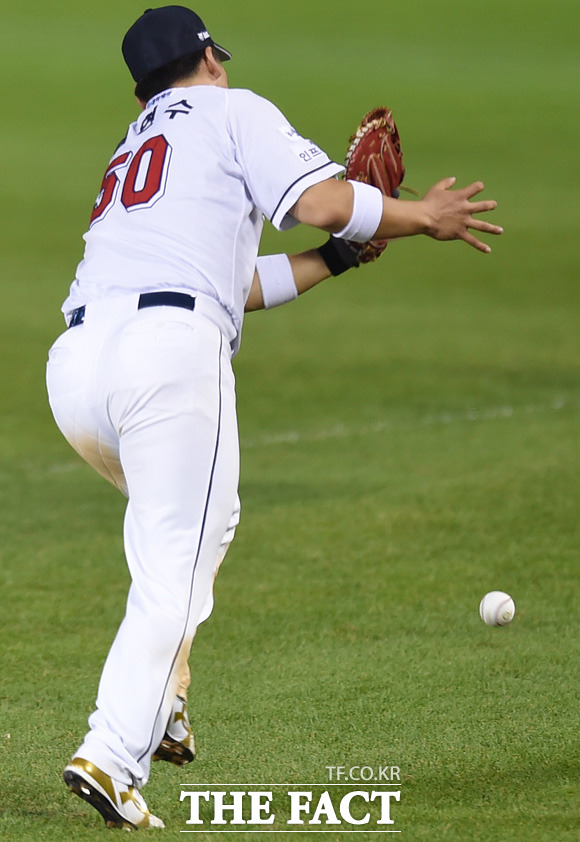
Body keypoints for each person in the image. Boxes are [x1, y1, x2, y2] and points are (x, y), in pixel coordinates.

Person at [46, 5, 502, 830]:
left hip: (78, 369)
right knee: (175, 566)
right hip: (166, 357)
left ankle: (164, 700)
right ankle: (112, 754)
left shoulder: (137, 145)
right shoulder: (233, 107)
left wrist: (335, 260)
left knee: (200, 527)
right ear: (210, 58)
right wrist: (418, 218)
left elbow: (232, 285)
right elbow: (330, 202)